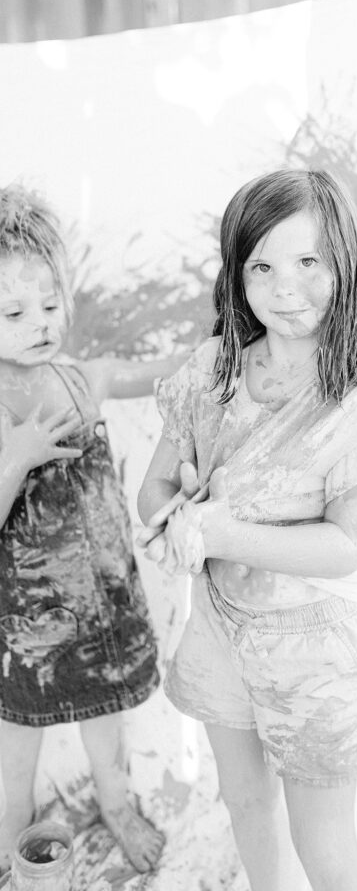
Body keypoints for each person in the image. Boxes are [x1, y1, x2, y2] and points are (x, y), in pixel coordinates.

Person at [137, 168, 357, 891]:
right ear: (236, 276)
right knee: (244, 800)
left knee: (323, 840)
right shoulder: (213, 370)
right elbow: (154, 490)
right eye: (261, 265)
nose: (284, 286)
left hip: (313, 648)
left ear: (345, 267)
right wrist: (177, 518)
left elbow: (344, 545)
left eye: (308, 262)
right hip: (220, 627)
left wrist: (223, 532)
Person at [0, 183, 184, 873]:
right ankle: (11, 819)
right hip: (24, 627)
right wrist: (16, 458)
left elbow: (158, 375)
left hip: (101, 607)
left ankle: (116, 802)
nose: (40, 321)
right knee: (17, 733)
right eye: (14, 311)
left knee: (106, 715)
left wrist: (217, 355)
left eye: (50, 304)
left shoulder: (82, 380)